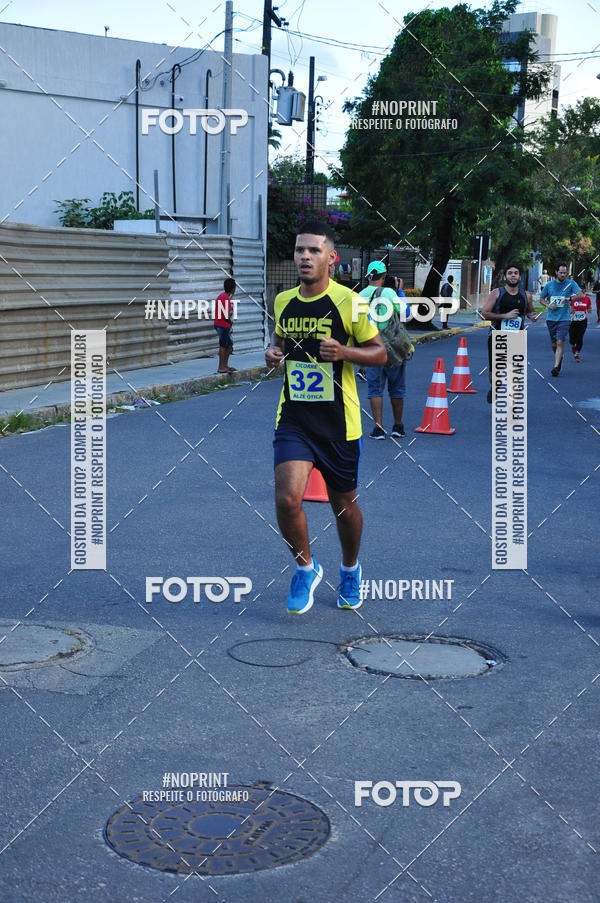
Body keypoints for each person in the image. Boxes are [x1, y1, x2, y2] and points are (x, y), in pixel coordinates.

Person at [265, 220, 386, 614]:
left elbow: (380, 353)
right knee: (286, 498)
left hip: (339, 421)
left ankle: (350, 569)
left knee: (343, 506)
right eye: (300, 250)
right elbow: (279, 344)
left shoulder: (351, 303)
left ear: (331, 259)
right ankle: (305, 568)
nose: (304, 256)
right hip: (295, 416)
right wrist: (273, 353)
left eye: (313, 250)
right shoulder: (284, 301)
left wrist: (345, 353)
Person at [359, 263, 410, 439]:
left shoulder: (359, 295)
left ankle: (378, 427)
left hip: (372, 348)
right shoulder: (389, 293)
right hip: (393, 347)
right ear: (383, 276)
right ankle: (397, 426)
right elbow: (407, 312)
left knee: (375, 389)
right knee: (396, 389)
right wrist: (400, 291)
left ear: (368, 276)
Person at [482, 264, 538, 403]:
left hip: (517, 338)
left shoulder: (526, 295)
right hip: (497, 337)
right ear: (505, 276)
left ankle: (514, 404)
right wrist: (504, 316)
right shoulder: (497, 293)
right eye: (510, 273)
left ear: (519, 276)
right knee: (495, 372)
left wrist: (533, 316)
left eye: (516, 273)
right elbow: (484, 314)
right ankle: (494, 387)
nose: (513, 275)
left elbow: (530, 311)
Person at [540, 264, 583, 377]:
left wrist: (569, 298)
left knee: (560, 341)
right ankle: (559, 358)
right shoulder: (549, 285)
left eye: (565, 273)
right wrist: (548, 305)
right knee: (554, 344)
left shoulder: (571, 283)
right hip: (551, 318)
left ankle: (556, 367)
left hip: (564, 318)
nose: (563, 275)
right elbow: (541, 299)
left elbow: (581, 295)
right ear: (556, 272)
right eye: (561, 272)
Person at [214, 277, 236, 373]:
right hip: (223, 325)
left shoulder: (221, 296)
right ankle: (221, 367)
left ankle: (225, 365)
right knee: (223, 345)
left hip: (220, 324)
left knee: (229, 345)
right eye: (234, 287)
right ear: (232, 289)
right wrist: (230, 322)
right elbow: (226, 315)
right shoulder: (226, 298)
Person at [569, 291, 592, 361]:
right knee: (572, 338)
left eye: (583, 291)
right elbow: (569, 309)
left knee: (580, 337)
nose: (581, 293)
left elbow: (589, 308)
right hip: (573, 321)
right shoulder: (572, 298)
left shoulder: (587, 298)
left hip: (583, 321)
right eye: (579, 291)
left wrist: (589, 310)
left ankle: (577, 354)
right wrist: (570, 310)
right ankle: (573, 345)